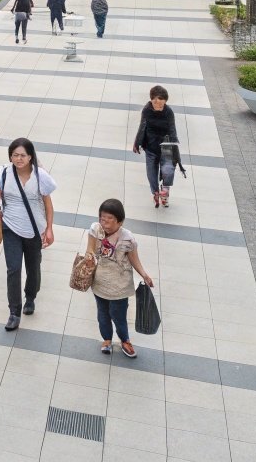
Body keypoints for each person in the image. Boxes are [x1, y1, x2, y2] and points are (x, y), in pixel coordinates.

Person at [0, 137, 56, 331]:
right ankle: (14, 312)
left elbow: (48, 205)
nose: (18, 159)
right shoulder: (5, 174)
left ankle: (31, 296)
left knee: (33, 268)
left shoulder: (41, 176)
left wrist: (49, 228)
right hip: (10, 227)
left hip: (34, 229)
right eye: (15, 155)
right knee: (13, 269)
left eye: (22, 155)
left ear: (30, 157)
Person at [87, 199, 155, 357]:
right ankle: (107, 340)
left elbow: (134, 259)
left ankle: (125, 340)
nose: (105, 222)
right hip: (99, 281)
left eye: (109, 219)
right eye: (102, 218)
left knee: (118, 314)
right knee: (102, 313)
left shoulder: (127, 238)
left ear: (120, 221)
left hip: (120, 285)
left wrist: (144, 275)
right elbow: (90, 248)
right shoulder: (95, 230)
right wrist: (90, 256)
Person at [132, 85, 180, 208]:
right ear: (152, 100)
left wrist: (175, 149)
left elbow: (172, 130)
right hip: (151, 146)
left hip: (166, 146)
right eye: (158, 104)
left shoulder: (168, 112)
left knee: (168, 170)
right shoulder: (147, 110)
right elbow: (142, 127)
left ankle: (165, 192)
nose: (160, 106)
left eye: (162, 104)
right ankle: (155, 193)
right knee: (151, 173)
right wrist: (137, 142)